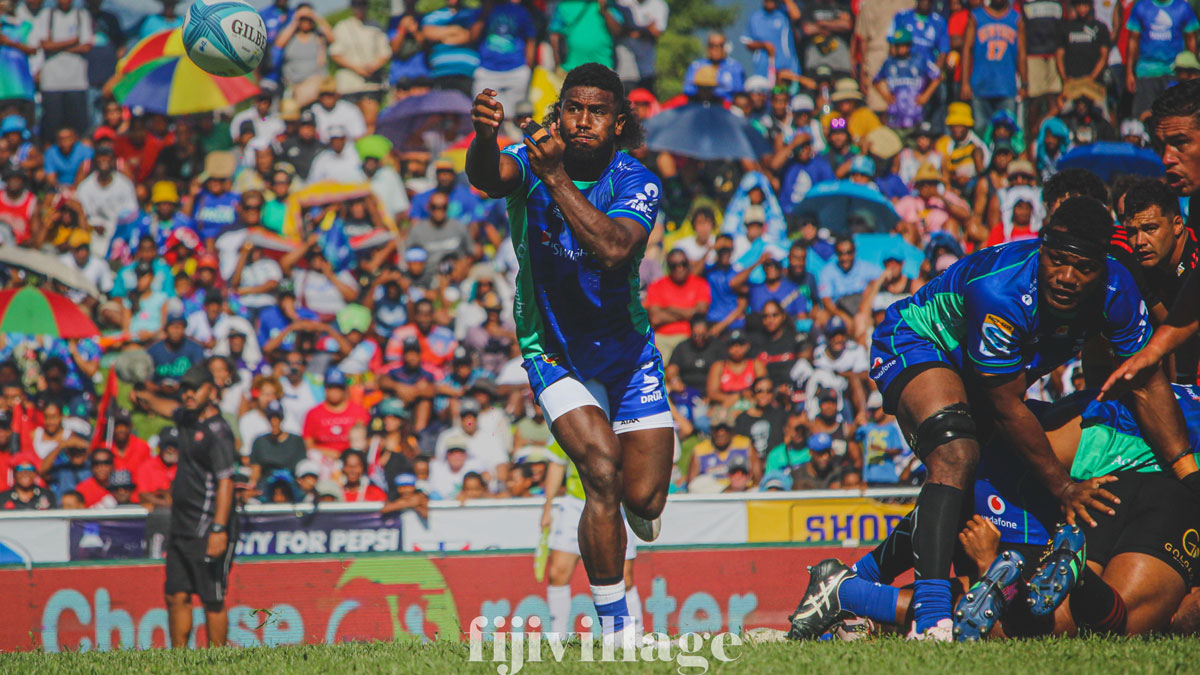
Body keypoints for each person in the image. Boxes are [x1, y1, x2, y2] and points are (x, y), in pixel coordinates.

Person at [835, 197, 1192, 641]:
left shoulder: (1118, 291)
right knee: (956, 451)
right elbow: (1006, 406)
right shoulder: (1001, 289)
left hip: (983, 376)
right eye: (1057, 261)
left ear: (1103, 268)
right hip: (920, 342)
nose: (1067, 278)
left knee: (971, 482)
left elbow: (1147, 383)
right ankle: (931, 618)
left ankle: (850, 585)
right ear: (1041, 249)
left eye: (1083, 268)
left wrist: (1188, 474)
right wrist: (1063, 487)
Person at [467, 63, 672, 643]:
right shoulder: (528, 160)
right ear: (558, 113)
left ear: (618, 123)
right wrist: (484, 138)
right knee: (601, 471)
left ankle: (636, 507)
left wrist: (555, 176)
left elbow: (614, 248)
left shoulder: (637, 181)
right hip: (553, 351)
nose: (582, 120)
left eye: (597, 111)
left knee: (644, 497)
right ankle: (618, 631)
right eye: (573, 108)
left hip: (628, 355)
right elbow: (490, 176)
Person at [131, 364, 238, 648]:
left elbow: (226, 482)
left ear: (211, 391)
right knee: (176, 594)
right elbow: (167, 408)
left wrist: (219, 529)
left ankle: (218, 660)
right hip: (181, 524)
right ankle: (180, 659)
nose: (188, 394)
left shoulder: (218, 431)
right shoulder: (188, 419)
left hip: (208, 526)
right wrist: (145, 395)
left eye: (195, 389)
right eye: (185, 389)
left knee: (212, 599)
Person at [1119, 178, 1200, 384]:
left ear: (1177, 225)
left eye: (1150, 229)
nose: (1140, 241)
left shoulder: (1195, 261)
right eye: (1132, 232)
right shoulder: (1142, 267)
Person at [1125, 0, 1199, 118]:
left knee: (1174, 115)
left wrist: (1193, 70)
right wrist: (1129, 72)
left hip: (1174, 72)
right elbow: (1133, 40)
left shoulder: (1182, 7)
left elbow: (1191, 39)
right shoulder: (1141, 6)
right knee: (1144, 116)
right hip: (1146, 71)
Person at [961, 0, 1025, 138]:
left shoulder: (1016, 19)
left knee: (1007, 134)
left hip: (1007, 87)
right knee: (981, 132)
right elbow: (966, 50)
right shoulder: (976, 17)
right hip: (980, 86)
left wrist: (1024, 83)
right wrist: (965, 82)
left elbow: (1021, 54)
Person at [645, 248, 710, 363]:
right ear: (668, 267)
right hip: (663, 338)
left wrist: (670, 309)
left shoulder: (700, 283)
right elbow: (655, 318)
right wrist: (688, 313)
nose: (679, 268)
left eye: (683, 264)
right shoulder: (657, 285)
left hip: (689, 336)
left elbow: (700, 313)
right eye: (674, 265)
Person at [682, 32, 744, 102]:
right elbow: (688, 89)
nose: (716, 48)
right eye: (711, 45)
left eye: (720, 45)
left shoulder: (735, 67)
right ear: (707, 47)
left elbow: (739, 91)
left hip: (726, 105)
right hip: (700, 104)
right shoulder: (696, 66)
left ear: (726, 47)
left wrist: (714, 90)